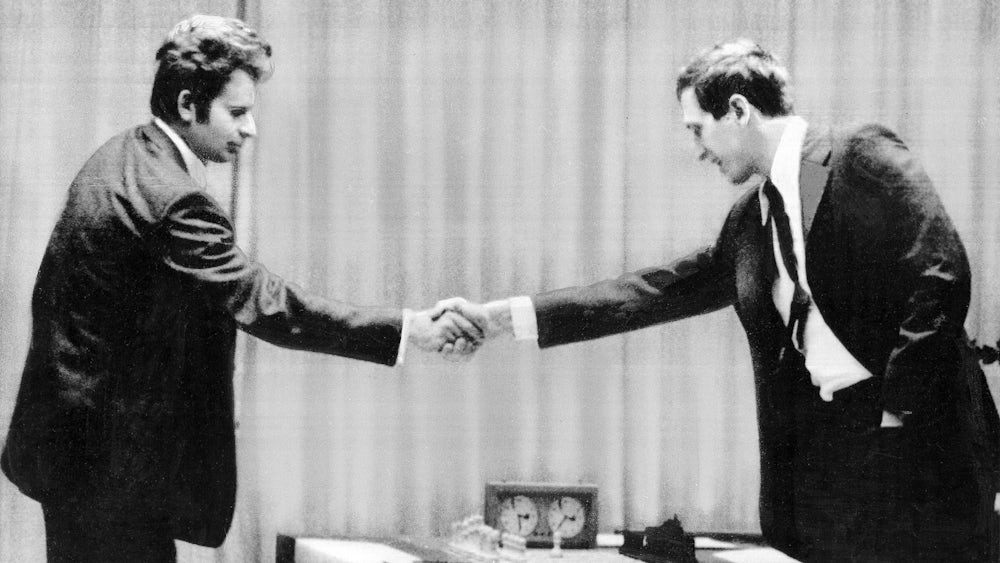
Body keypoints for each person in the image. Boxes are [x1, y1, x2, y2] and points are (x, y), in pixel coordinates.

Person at [446, 39, 1000, 561]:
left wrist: (896, 419)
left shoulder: (858, 155)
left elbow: (940, 273)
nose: (697, 151)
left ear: (737, 110)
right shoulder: (749, 222)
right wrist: (498, 319)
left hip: (922, 449)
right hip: (833, 467)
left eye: (698, 130)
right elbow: (651, 293)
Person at [1, 15, 484, 563]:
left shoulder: (122, 155)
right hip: (110, 478)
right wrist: (410, 329)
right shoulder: (172, 199)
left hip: (72, 454)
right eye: (237, 112)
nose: (250, 128)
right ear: (188, 105)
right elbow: (268, 304)